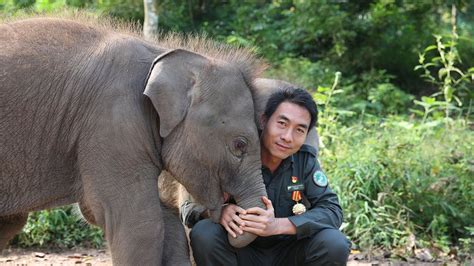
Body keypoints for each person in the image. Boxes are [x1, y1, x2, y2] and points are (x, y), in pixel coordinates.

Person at [182, 88, 350, 265]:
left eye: (299, 130)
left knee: (335, 243)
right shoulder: (234, 155)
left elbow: (332, 211)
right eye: (282, 124)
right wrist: (217, 211)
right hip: (242, 253)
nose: (287, 137)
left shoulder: (304, 162)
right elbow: (188, 209)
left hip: (290, 252)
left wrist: (279, 225)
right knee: (205, 233)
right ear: (264, 120)